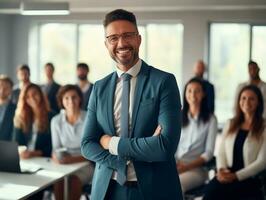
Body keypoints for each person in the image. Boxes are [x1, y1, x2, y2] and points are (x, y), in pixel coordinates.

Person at [81, 9, 182, 200]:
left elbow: (165, 146)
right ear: (106, 44)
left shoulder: (164, 82)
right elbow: (87, 144)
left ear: (139, 39)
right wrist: (120, 161)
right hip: (107, 190)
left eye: (128, 35)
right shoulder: (99, 87)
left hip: (154, 190)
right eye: (113, 38)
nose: (121, 43)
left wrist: (111, 143)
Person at [203, 85, 266, 200]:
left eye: (252, 98)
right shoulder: (230, 123)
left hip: (249, 178)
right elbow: (221, 152)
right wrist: (222, 170)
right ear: (239, 101)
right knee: (210, 192)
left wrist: (235, 176)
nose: (247, 102)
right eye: (243, 98)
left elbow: (262, 161)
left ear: (258, 102)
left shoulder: (264, 127)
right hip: (227, 174)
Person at [51, 84, 94, 200]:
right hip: (64, 163)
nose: (71, 101)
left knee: (73, 181)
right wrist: (56, 157)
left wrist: (72, 160)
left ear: (80, 98)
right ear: (61, 101)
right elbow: (56, 148)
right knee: (59, 181)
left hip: (85, 164)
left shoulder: (89, 118)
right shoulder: (55, 121)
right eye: (66, 98)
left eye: (74, 97)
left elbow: (92, 151)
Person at [175, 78, 217, 193]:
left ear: (203, 94)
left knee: (175, 186)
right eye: (189, 91)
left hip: (196, 170)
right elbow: (172, 144)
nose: (193, 94)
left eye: (197, 91)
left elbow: (208, 153)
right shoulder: (178, 116)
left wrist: (186, 167)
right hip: (175, 166)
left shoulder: (211, 119)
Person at [13, 83, 54, 159]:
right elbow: (17, 142)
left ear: (41, 95)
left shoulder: (52, 116)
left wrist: (33, 153)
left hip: (43, 158)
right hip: (25, 158)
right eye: (28, 96)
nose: (32, 98)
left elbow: (52, 146)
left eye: (35, 94)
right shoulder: (21, 117)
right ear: (24, 100)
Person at [0, 75, 16, 141]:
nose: (2, 90)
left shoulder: (16, 109)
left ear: (11, 90)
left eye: (6, 87)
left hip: (7, 146)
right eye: (0, 86)